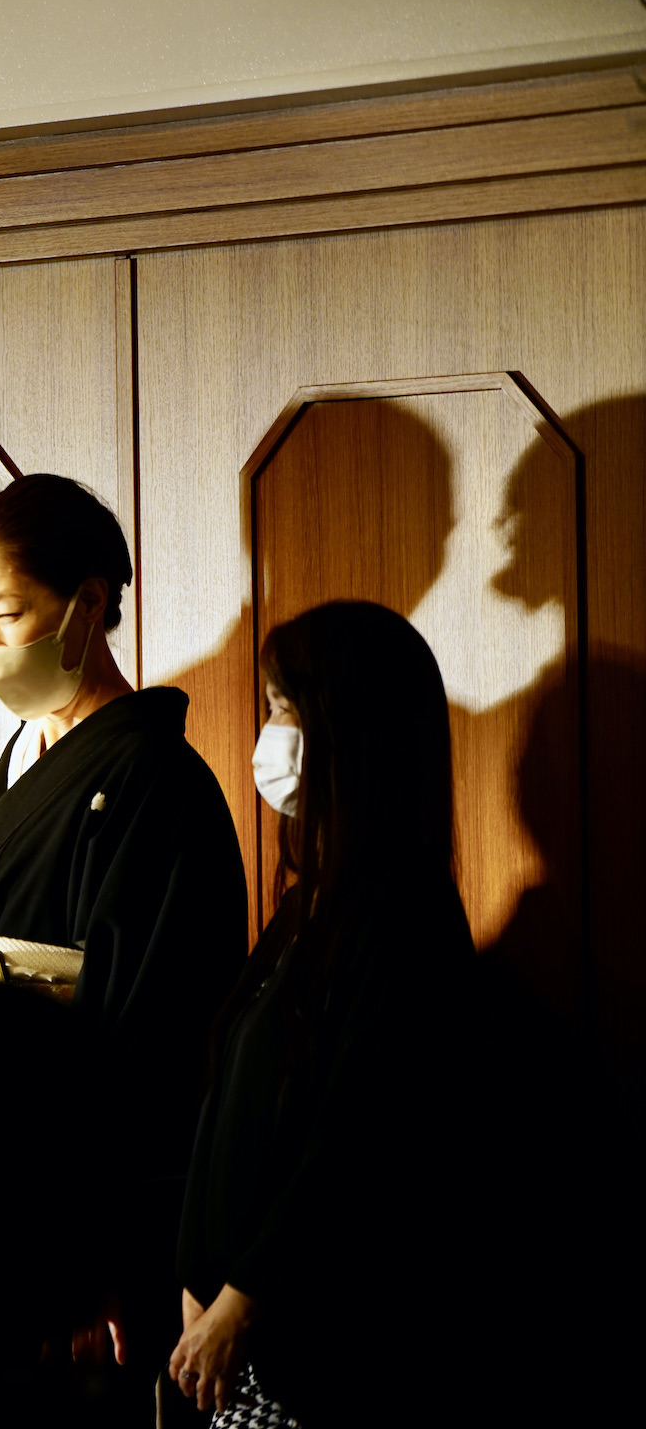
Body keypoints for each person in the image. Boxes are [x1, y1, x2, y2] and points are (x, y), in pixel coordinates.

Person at [0, 474, 247, 1418]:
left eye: (9, 613)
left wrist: (92, 1248)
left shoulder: (155, 777)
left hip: (81, 1196)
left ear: (88, 604)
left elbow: (146, 1032)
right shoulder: (14, 770)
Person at [170, 601, 476, 1426]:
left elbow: (358, 1136)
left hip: (314, 1352)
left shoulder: (405, 915)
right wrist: (198, 1276)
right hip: (232, 1334)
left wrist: (244, 1297)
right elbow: (226, 1105)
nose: (268, 734)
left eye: (284, 708)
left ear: (351, 729)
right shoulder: (308, 906)